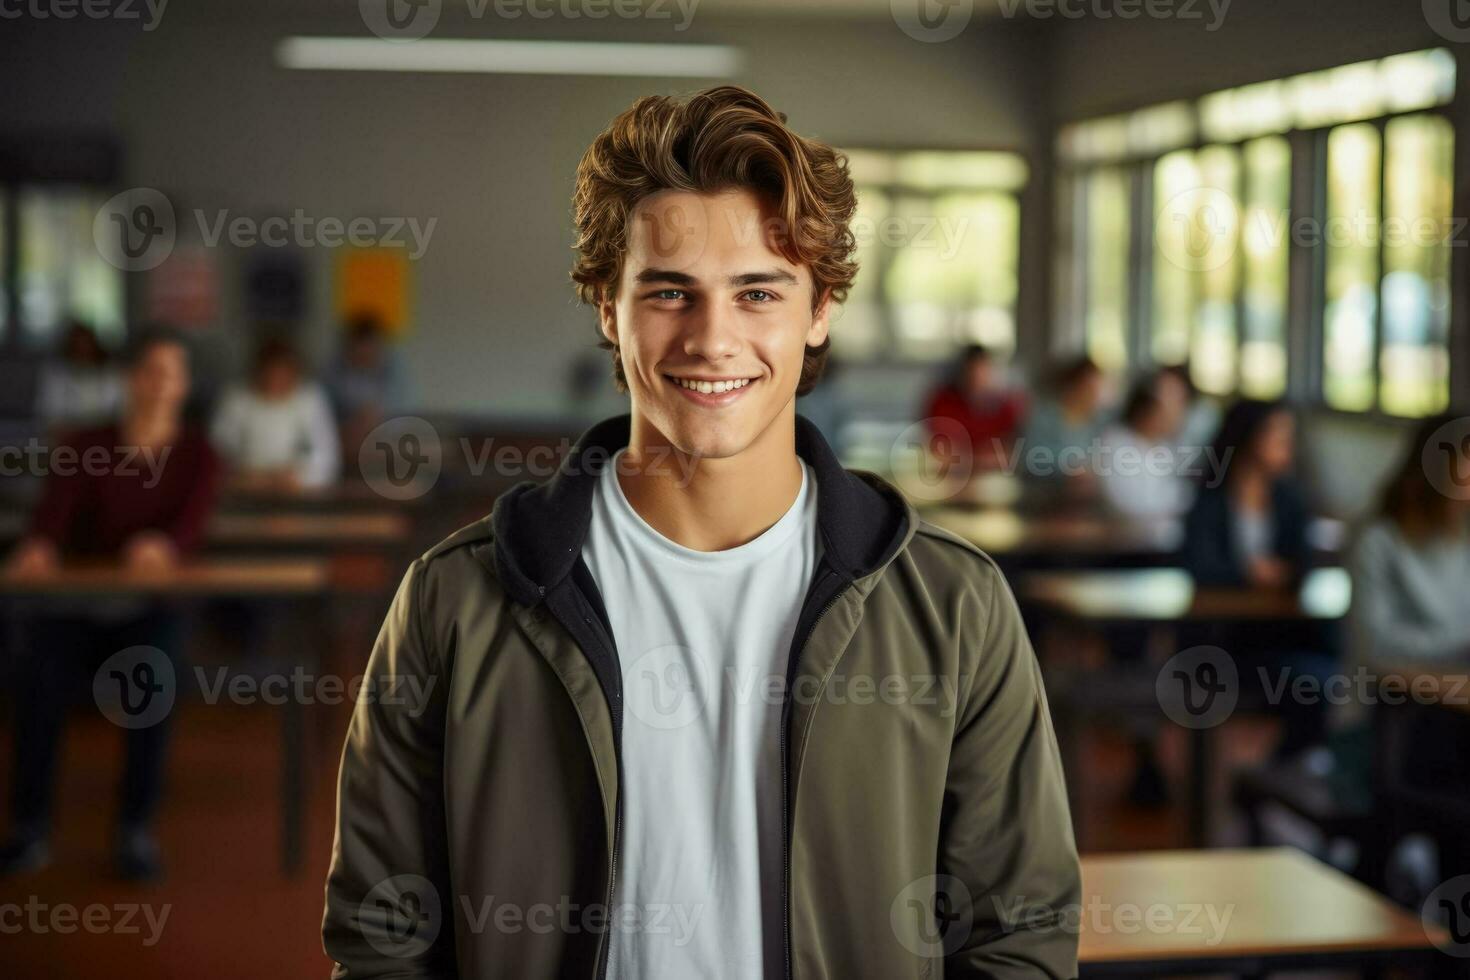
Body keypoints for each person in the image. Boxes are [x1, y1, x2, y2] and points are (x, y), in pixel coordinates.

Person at [323, 85, 1079, 980]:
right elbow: (384, 941)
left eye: (758, 292)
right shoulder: (457, 599)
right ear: (608, 308)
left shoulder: (956, 606)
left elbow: (1017, 934)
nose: (713, 338)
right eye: (670, 291)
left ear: (820, 310)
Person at [1, 329, 220, 881]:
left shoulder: (198, 452)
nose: (160, 384)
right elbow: (53, 516)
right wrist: (39, 547)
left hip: (148, 606)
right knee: (35, 681)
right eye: (151, 371)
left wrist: (163, 545)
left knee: (152, 682)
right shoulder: (85, 441)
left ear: (183, 385)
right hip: (75, 605)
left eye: (172, 374)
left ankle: (134, 830)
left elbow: (189, 525)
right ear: (130, 378)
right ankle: (30, 829)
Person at [1182, 399, 1333, 760]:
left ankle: (1288, 769)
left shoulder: (1289, 497)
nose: (1286, 446)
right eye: (1277, 436)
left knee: (1330, 668)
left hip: (1280, 635)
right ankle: (1282, 773)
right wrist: (1249, 573)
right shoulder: (1212, 497)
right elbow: (1198, 567)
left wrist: (1286, 572)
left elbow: (1305, 564)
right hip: (1222, 640)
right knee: (1314, 680)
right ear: (1249, 439)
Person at [210, 337, 340, 491]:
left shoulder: (310, 399)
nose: (275, 381)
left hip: (298, 494)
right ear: (257, 371)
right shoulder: (235, 399)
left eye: (283, 375)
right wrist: (246, 476)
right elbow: (217, 451)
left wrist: (300, 476)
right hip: (244, 492)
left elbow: (326, 457)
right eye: (270, 374)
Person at [1097, 376, 1193, 519]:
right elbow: (1128, 505)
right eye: (1171, 408)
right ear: (1147, 410)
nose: (1178, 416)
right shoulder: (1115, 443)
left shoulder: (1163, 446)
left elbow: (1178, 494)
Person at [922, 343, 1025, 468]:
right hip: (951, 478)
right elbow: (939, 453)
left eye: (983, 371)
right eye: (972, 371)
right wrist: (978, 457)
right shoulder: (943, 403)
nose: (978, 378)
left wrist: (966, 456)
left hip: (992, 479)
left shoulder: (1006, 406)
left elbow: (1012, 453)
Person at [325, 312, 406, 462]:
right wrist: (353, 426)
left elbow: (404, 418)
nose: (365, 354)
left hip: (388, 448)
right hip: (344, 448)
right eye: (359, 350)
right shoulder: (332, 373)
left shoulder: (395, 372)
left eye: (370, 348)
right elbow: (324, 422)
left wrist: (374, 422)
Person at [1019, 355, 1108, 484]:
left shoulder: (1099, 422)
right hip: (1044, 492)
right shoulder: (1044, 418)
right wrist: (1070, 467)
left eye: (1097, 389)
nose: (1094, 395)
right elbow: (1031, 457)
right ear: (1072, 386)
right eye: (1089, 388)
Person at [34, 320, 124, 435]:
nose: (83, 350)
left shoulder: (111, 374)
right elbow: (49, 414)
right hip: (68, 439)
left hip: (106, 437)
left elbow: (119, 412)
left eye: (87, 344)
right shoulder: (56, 376)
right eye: (78, 345)